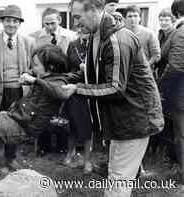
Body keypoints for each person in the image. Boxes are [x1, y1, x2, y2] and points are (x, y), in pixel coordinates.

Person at [67, 0, 164, 196]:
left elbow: (115, 88)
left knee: (118, 181)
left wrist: (76, 89)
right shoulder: (97, 35)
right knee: (116, 176)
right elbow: (92, 74)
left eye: (78, 17)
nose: (75, 23)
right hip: (120, 117)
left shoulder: (116, 40)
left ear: (94, 10)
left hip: (134, 119)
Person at [0, 4, 35, 176]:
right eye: (8, 21)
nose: (11, 24)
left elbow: (35, 68)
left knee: (14, 126)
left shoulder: (29, 42)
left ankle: (10, 158)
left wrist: (29, 80)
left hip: (19, 92)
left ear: (19, 24)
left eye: (15, 21)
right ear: (3, 22)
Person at [29, 7, 76, 154]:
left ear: (60, 20)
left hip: (62, 78)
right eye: (46, 24)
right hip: (43, 78)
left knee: (62, 112)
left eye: (53, 23)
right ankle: (44, 145)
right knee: (43, 110)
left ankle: (62, 144)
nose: (49, 27)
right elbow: (34, 60)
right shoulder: (34, 37)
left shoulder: (71, 36)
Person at [159, 0, 184, 191]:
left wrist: (160, 86)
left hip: (180, 96)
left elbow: (175, 66)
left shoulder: (180, 33)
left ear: (176, 14)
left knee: (182, 136)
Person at [63, 28, 93, 173]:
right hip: (73, 89)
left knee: (88, 125)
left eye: (87, 31)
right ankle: (71, 153)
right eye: (82, 31)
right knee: (73, 123)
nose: (84, 33)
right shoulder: (73, 45)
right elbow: (67, 68)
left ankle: (87, 160)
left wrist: (87, 69)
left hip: (91, 90)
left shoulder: (98, 44)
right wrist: (77, 73)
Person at [124, 5, 161, 78]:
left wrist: (145, 66)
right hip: (126, 75)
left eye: (135, 16)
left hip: (144, 75)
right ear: (125, 18)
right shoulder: (121, 34)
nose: (133, 19)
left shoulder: (149, 34)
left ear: (140, 18)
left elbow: (156, 55)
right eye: (130, 16)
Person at [156, 8, 176, 78]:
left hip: (169, 74)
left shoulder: (176, 35)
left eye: (167, 20)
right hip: (159, 71)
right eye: (161, 20)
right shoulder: (160, 34)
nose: (163, 23)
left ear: (173, 21)